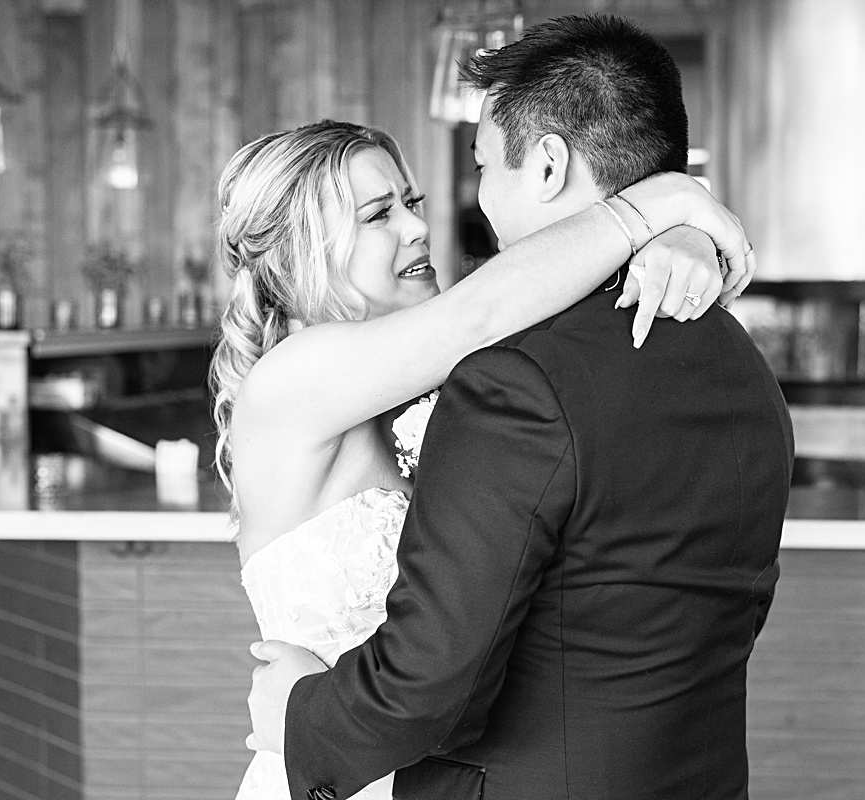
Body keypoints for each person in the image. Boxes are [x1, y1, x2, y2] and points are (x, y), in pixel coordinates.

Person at [244, 14, 793, 800]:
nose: (426, 224)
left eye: (463, 175)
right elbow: (478, 314)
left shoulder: (510, 379)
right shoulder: (737, 362)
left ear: (545, 166)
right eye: (377, 215)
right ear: (301, 245)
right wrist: (669, 206)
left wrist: (302, 716)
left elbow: (432, 683)